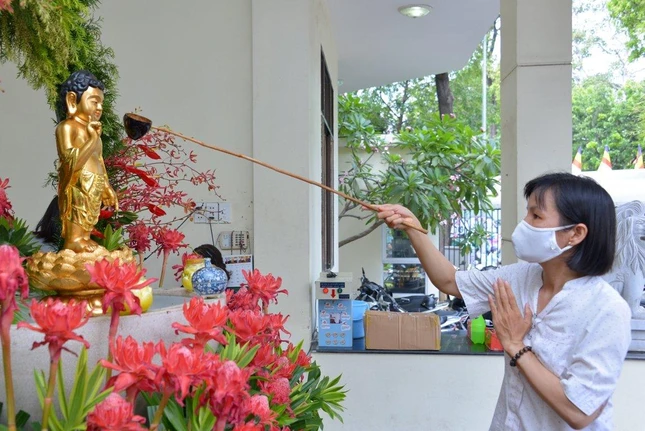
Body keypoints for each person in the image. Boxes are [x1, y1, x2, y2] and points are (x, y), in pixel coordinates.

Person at [376, 172, 631, 430]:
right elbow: (449, 281)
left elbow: (578, 412)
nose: (524, 224)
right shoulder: (520, 278)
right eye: (527, 213)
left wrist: (515, 345)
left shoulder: (607, 310)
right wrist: (413, 228)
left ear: (575, 233)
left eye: (536, 216)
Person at [55, 70, 118, 253]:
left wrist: (106, 186)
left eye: (101, 103)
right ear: (72, 100)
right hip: (77, 184)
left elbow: (99, 160)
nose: (99, 108)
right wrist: (92, 138)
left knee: (89, 214)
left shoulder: (94, 132)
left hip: (94, 183)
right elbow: (71, 163)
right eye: (94, 102)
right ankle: (74, 240)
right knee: (77, 210)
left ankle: (84, 237)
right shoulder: (67, 127)